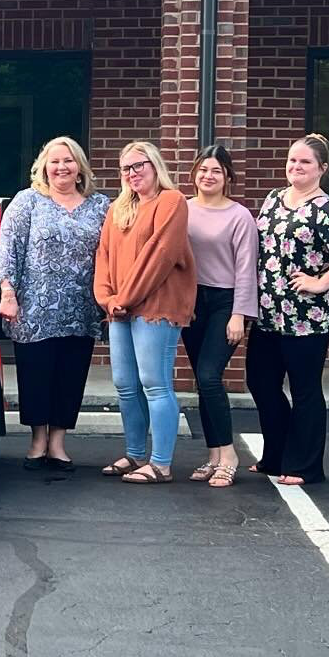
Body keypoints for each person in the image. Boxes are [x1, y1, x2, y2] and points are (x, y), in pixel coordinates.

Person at [246, 134, 329, 486]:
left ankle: (305, 466)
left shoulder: (327, 209)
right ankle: (276, 454)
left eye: (305, 162)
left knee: (305, 389)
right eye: (292, 160)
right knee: (261, 382)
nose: (296, 167)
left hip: (308, 318)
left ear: (321, 169)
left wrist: (322, 281)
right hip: (268, 312)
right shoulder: (273, 198)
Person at [0, 136, 111, 473]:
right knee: (36, 374)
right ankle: (37, 441)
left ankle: (58, 442)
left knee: (70, 376)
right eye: (55, 161)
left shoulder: (100, 205)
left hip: (82, 308)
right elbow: (9, 250)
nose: (62, 167)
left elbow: (115, 252)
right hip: (34, 308)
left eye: (69, 161)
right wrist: (8, 292)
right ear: (44, 167)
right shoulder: (27, 201)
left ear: (80, 168)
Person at [93, 141, 197, 485]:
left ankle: (161, 463)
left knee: (155, 383)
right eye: (126, 168)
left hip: (157, 306)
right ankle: (136, 454)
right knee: (125, 384)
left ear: (155, 166)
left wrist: (127, 297)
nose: (133, 173)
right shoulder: (117, 209)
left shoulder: (172, 201)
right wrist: (107, 299)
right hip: (120, 309)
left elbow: (160, 255)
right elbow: (104, 255)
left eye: (140, 165)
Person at [181, 145, 258, 488]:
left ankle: (229, 454)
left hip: (225, 302)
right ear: (194, 174)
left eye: (215, 170)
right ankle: (213, 456)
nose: (208, 176)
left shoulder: (239, 216)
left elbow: (246, 270)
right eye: (202, 170)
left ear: (227, 176)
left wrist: (239, 314)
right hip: (191, 300)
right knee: (202, 379)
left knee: (211, 376)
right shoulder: (182, 210)